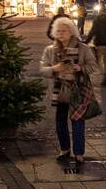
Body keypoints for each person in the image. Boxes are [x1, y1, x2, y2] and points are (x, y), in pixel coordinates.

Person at [39, 15, 100, 164]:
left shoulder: (83, 48)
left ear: (71, 32)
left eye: (64, 31)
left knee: (78, 121)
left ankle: (79, 152)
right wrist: (55, 68)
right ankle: (64, 149)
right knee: (60, 121)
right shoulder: (50, 50)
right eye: (58, 31)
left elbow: (93, 66)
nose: (61, 34)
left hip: (78, 90)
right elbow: (42, 69)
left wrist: (80, 68)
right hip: (59, 91)